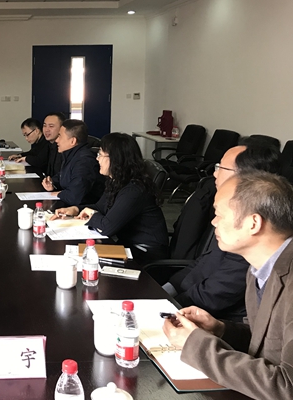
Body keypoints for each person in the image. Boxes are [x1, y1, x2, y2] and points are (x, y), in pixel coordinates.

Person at [163, 172, 293, 400]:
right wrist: (221, 329)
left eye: (219, 214)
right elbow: (265, 338)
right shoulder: (258, 268)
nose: (213, 222)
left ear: (253, 223)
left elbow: (286, 386)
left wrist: (196, 345)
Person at [162, 143, 281, 321]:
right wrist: (166, 290)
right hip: (200, 309)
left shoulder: (252, 234)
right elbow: (203, 262)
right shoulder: (227, 210)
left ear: (244, 177)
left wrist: (168, 306)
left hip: (213, 316)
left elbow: (217, 293)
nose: (214, 173)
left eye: (220, 167)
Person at [52, 132, 168, 265]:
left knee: (84, 261)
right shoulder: (118, 181)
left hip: (145, 255)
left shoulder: (134, 190)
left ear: (116, 159)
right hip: (127, 247)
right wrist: (75, 209)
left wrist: (92, 213)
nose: (97, 159)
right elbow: (100, 207)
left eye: (100, 154)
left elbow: (106, 227)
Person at [41, 119, 104, 207]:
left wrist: (59, 194)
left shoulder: (84, 161)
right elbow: (65, 176)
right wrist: (52, 182)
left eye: (60, 136)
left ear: (72, 141)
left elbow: (74, 196)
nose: (56, 140)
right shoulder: (71, 155)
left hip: (83, 210)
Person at [43, 112, 66, 179]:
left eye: (51, 126)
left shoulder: (64, 148)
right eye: (44, 126)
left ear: (62, 128)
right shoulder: (49, 145)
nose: (46, 130)